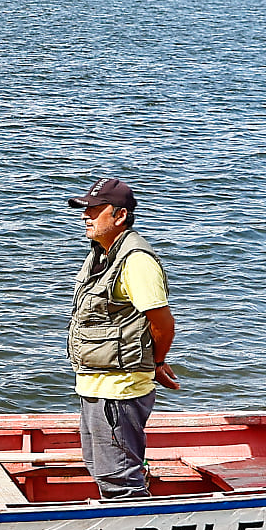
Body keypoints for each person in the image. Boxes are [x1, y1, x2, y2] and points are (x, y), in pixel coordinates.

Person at [66, 177, 177, 499]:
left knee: (118, 479)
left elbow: (162, 321)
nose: (86, 216)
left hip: (119, 389)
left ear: (120, 216)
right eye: (85, 209)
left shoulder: (136, 261)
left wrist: (156, 362)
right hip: (96, 385)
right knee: (100, 467)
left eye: (95, 210)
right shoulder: (103, 254)